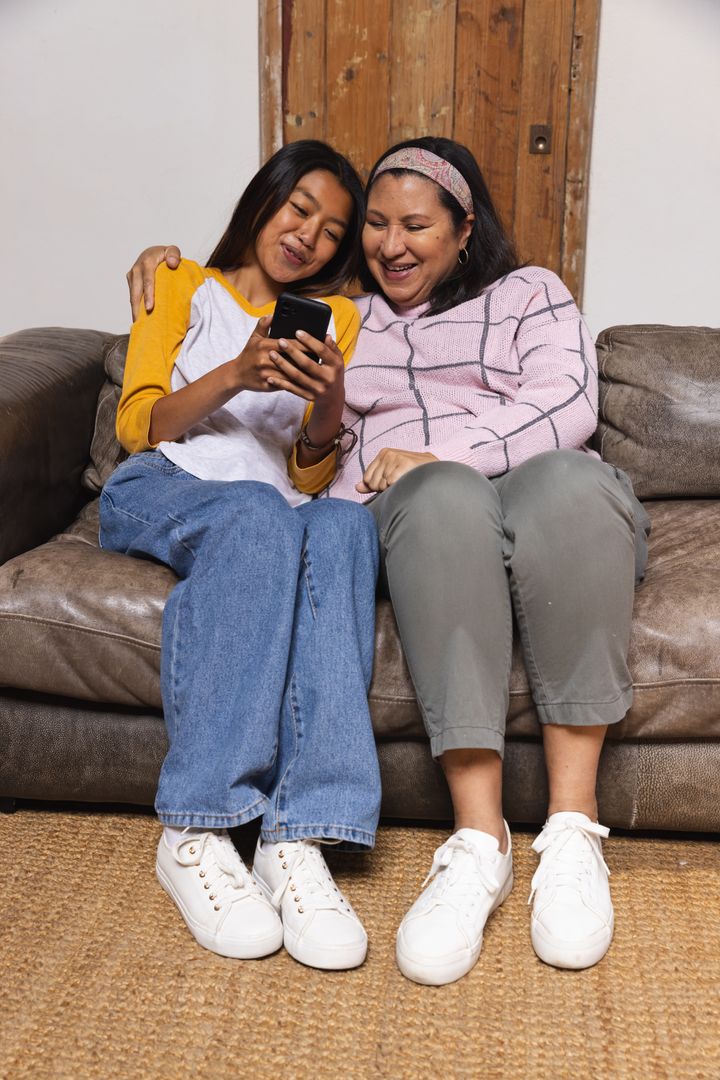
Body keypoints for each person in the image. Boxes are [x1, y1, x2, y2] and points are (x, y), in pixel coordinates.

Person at [128, 136, 649, 986]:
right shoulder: (348, 321)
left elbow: (567, 404)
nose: (390, 243)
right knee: (429, 506)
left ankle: (572, 830)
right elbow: (317, 455)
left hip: (543, 488)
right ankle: (479, 840)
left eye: (416, 225)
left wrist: (441, 451)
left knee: (560, 486)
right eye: (374, 225)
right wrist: (165, 257)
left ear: (463, 228)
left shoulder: (530, 293)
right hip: (422, 511)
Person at [103, 139, 382, 973]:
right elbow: (140, 425)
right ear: (265, 199)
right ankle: (196, 825)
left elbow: (311, 468)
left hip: (276, 505)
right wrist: (236, 370)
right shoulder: (180, 282)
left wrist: (327, 399)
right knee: (262, 515)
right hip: (166, 480)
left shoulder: (340, 319)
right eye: (300, 210)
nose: (310, 238)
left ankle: (295, 839)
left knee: (343, 528)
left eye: (333, 232)